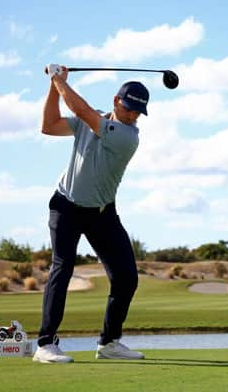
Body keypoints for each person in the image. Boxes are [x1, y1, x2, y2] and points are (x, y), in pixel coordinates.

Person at [33, 64, 147, 363]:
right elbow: (49, 125)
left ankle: (109, 342)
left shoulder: (127, 136)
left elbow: (82, 110)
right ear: (115, 101)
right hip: (66, 205)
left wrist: (58, 79)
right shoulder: (92, 118)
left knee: (126, 277)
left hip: (101, 213)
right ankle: (45, 344)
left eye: (138, 112)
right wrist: (52, 87)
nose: (132, 115)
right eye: (129, 108)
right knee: (63, 266)